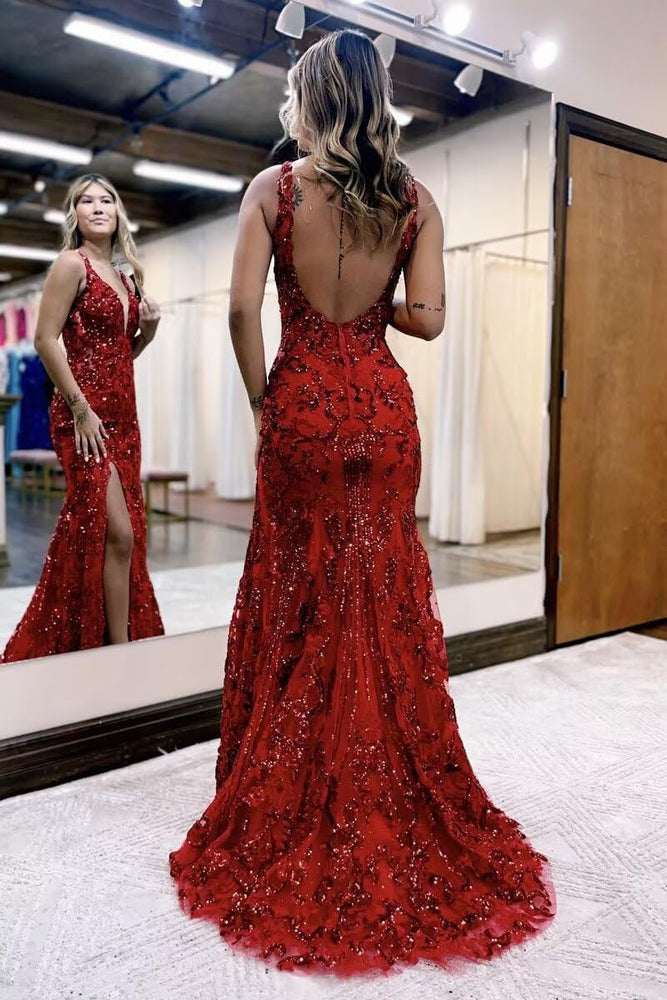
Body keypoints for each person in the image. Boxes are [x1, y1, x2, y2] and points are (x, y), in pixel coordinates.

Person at [169, 29, 556, 976]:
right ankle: (384, 766)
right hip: (381, 410)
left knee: (296, 584)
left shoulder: (273, 189)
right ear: (375, 96)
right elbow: (424, 319)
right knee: (376, 591)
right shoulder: (414, 197)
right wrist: (378, 301)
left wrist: (270, 403)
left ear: (307, 96)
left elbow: (235, 310)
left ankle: (291, 779)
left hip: (300, 399)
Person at [0, 174, 164, 662]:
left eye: (106, 199)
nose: (97, 207)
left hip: (123, 415)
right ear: (74, 215)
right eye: (86, 201)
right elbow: (46, 339)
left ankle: (97, 633)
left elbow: (119, 356)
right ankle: (118, 650)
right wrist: (80, 409)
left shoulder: (127, 273)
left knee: (104, 529)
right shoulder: (71, 265)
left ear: (118, 212)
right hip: (80, 417)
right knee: (120, 531)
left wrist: (149, 332)